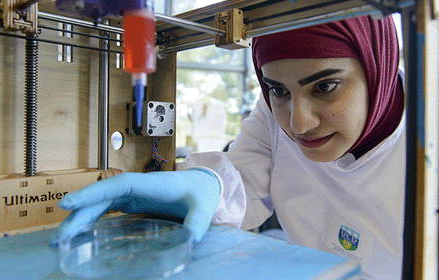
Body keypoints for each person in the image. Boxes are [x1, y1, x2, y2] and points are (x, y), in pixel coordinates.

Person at [51, 14, 405, 279]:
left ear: (380, 67)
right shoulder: (272, 111)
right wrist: (207, 184)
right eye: (278, 90)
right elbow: (246, 177)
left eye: (325, 87)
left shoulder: (423, 144)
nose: (299, 124)